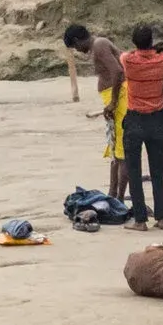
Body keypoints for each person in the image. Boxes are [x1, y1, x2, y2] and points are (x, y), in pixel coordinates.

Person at [64, 23, 128, 201]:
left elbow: (117, 72)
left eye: (75, 47)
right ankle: (112, 195)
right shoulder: (100, 44)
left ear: (77, 41)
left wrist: (114, 101)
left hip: (120, 100)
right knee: (115, 149)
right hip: (115, 100)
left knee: (123, 153)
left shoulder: (99, 45)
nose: (77, 50)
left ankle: (119, 199)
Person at [121, 24, 163, 230]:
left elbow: (124, 54)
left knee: (134, 171)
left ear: (135, 42)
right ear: (152, 41)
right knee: (159, 172)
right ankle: (162, 218)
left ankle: (140, 220)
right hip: (158, 119)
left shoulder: (129, 60)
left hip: (135, 119)